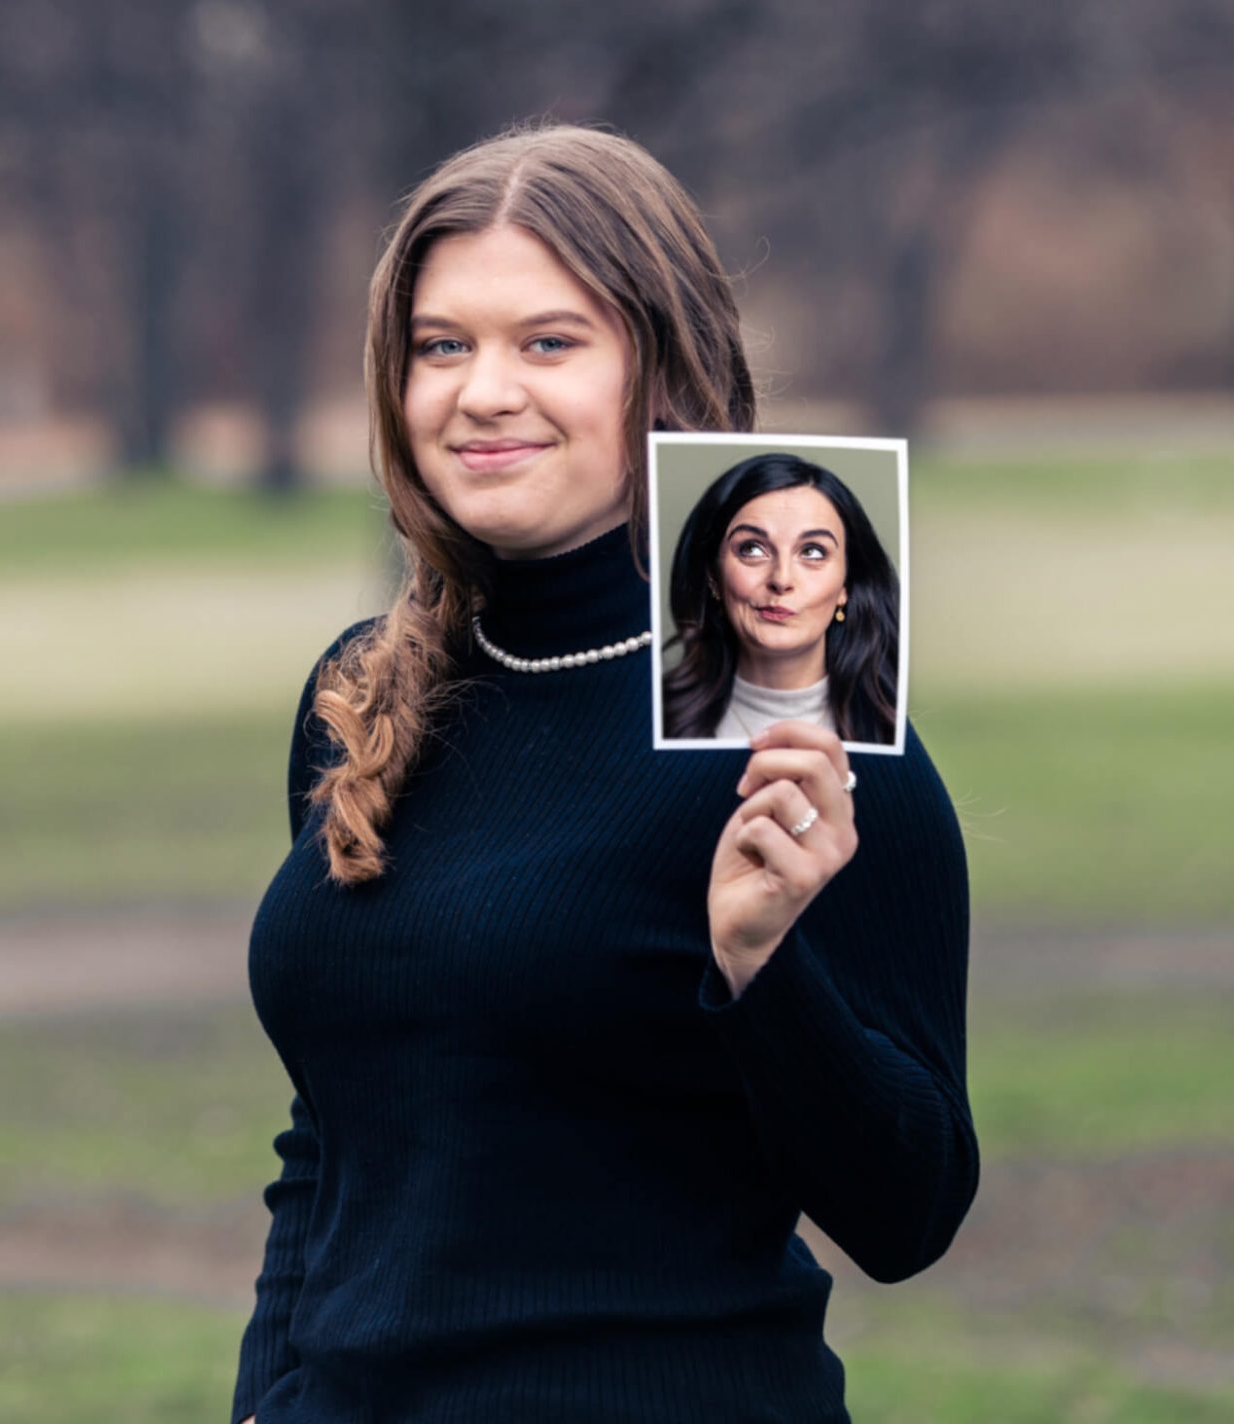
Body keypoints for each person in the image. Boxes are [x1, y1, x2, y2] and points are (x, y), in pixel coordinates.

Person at [236, 122, 976, 1424]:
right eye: (440, 346)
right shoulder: (363, 691)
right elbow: (333, 1142)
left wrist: (761, 969)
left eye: (548, 343)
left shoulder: (794, 734)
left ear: (663, 368)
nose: (482, 392)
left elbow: (907, 1214)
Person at [660, 452, 902, 748]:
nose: (781, 579)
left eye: (812, 552)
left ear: (846, 586)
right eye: (752, 549)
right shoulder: (656, 719)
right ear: (713, 577)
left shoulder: (891, 730)